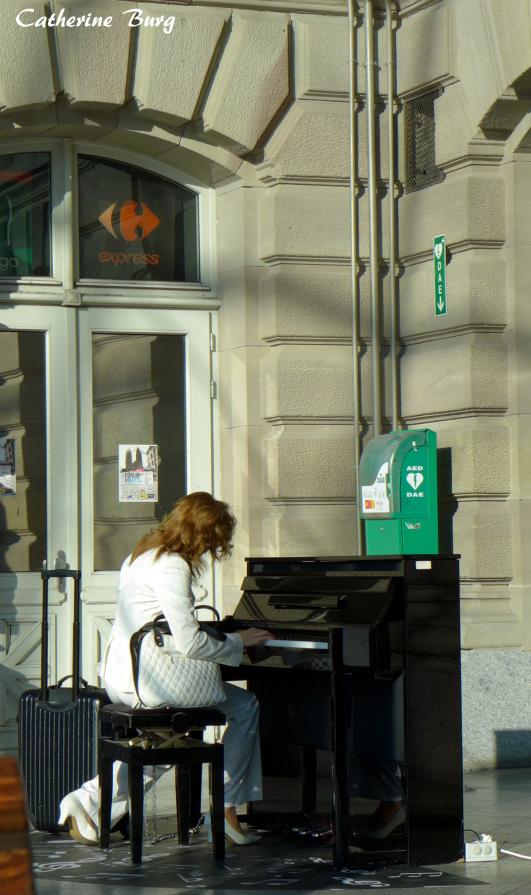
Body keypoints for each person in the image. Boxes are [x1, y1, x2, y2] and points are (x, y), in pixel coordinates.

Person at [58, 492, 271, 847]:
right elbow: (189, 643)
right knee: (245, 706)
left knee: (164, 743)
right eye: (213, 541)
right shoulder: (173, 564)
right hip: (148, 680)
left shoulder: (142, 554)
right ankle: (227, 808)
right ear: (202, 534)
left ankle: (89, 800)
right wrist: (239, 642)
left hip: (124, 673)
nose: (212, 550)